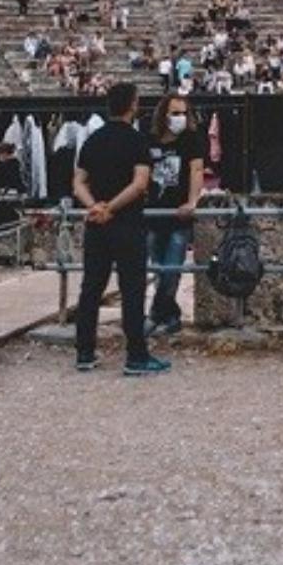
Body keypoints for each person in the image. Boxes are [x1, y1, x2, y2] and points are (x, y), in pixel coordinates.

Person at [70, 82, 169, 376]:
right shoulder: (138, 142)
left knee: (91, 288)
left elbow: (78, 182)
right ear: (133, 105)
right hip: (127, 223)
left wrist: (95, 208)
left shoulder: (93, 140)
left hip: (97, 225)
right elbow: (139, 184)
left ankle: (84, 352)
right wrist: (111, 208)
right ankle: (136, 356)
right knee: (132, 289)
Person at [143, 93, 203, 339]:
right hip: (154, 215)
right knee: (159, 269)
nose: (180, 118)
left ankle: (155, 315)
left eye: (183, 113)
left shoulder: (192, 139)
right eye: (174, 113)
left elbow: (196, 170)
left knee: (171, 268)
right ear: (163, 115)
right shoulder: (150, 140)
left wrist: (192, 201)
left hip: (179, 216)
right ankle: (172, 316)